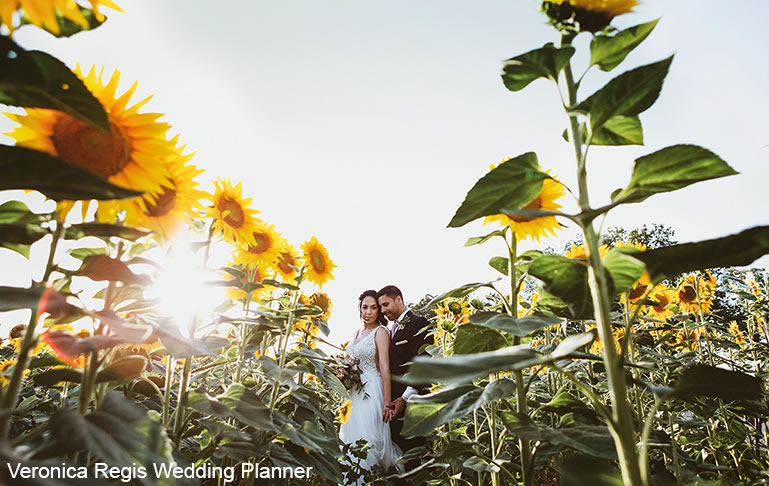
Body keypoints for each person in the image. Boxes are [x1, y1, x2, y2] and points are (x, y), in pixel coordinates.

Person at [339, 290, 403, 484]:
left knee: (369, 440)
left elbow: (384, 367)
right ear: (359, 309)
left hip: (372, 391)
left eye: (374, 307)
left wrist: (386, 401)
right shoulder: (355, 334)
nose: (368, 312)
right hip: (353, 396)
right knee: (350, 441)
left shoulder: (381, 332)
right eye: (365, 307)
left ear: (379, 311)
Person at [378, 285, 432, 477]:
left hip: (413, 405)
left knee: (414, 462)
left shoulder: (419, 323)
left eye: (386, 304)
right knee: (400, 461)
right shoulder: (390, 330)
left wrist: (405, 398)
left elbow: (425, 363)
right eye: (381, 307)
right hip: (394, 408)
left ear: (399, 299)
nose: (383, 311)